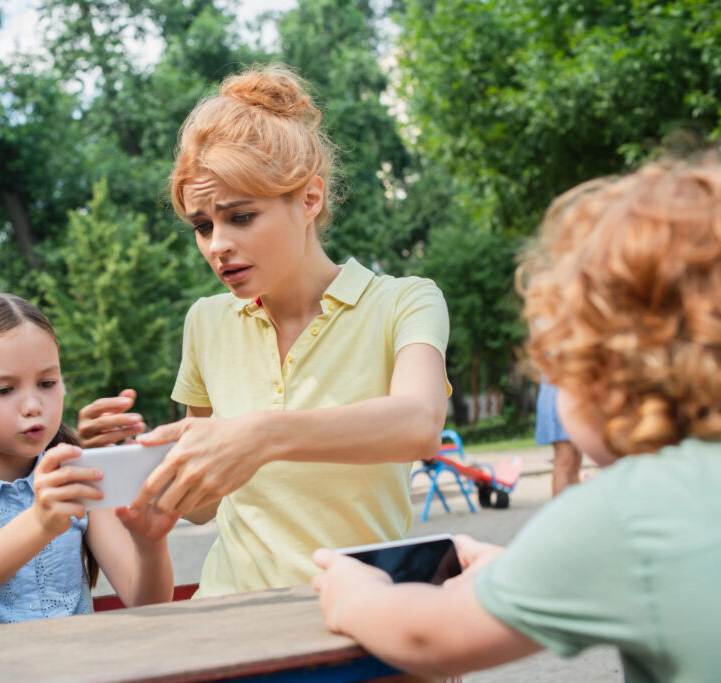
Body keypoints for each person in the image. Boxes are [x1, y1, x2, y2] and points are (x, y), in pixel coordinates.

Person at [312, 156, 721, 681]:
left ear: (605, 371)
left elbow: (428, 635)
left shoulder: (628, 511)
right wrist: (517, 574)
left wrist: (358, 596)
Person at [78, 64, 451, 597]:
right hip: (230, 617)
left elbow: (418, 424)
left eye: (240, 217)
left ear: (309, 199)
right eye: (202, 226)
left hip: (362, 611)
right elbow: (205, 505)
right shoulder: (206, 321)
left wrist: (261, 435)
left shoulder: (404, 301)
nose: (217, 245)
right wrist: (135, 461)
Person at [0, 291, 178, 631]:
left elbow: (146, 601)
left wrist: (150, 542)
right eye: (4, 389)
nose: (33, 405)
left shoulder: (76, 478)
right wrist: (40, 523)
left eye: (47, 383)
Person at [535, 380, 584, 495]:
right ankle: (562, 510)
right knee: (565, 459)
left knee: (576, 460)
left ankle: (574, 509)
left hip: (572, 393)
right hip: (558, 394)